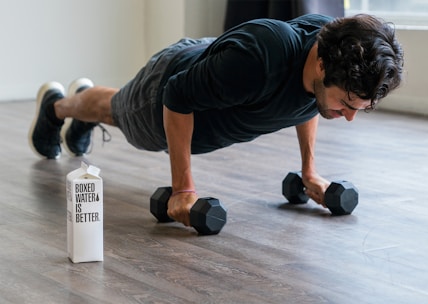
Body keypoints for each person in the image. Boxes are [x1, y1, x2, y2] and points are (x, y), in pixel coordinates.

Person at [29, 14, 404, 228]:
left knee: (115, 111)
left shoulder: (328, 48)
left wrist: (310, 171)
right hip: (168, 88)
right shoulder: (262, 61)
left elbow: (308, 104)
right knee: (120, 113)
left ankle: (83, 112)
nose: (350, 117)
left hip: (216, 68)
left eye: (360, 108)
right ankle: (57, 106)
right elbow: (177, 96)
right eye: (347, 103)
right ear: (322, 66)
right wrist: (182, 189)